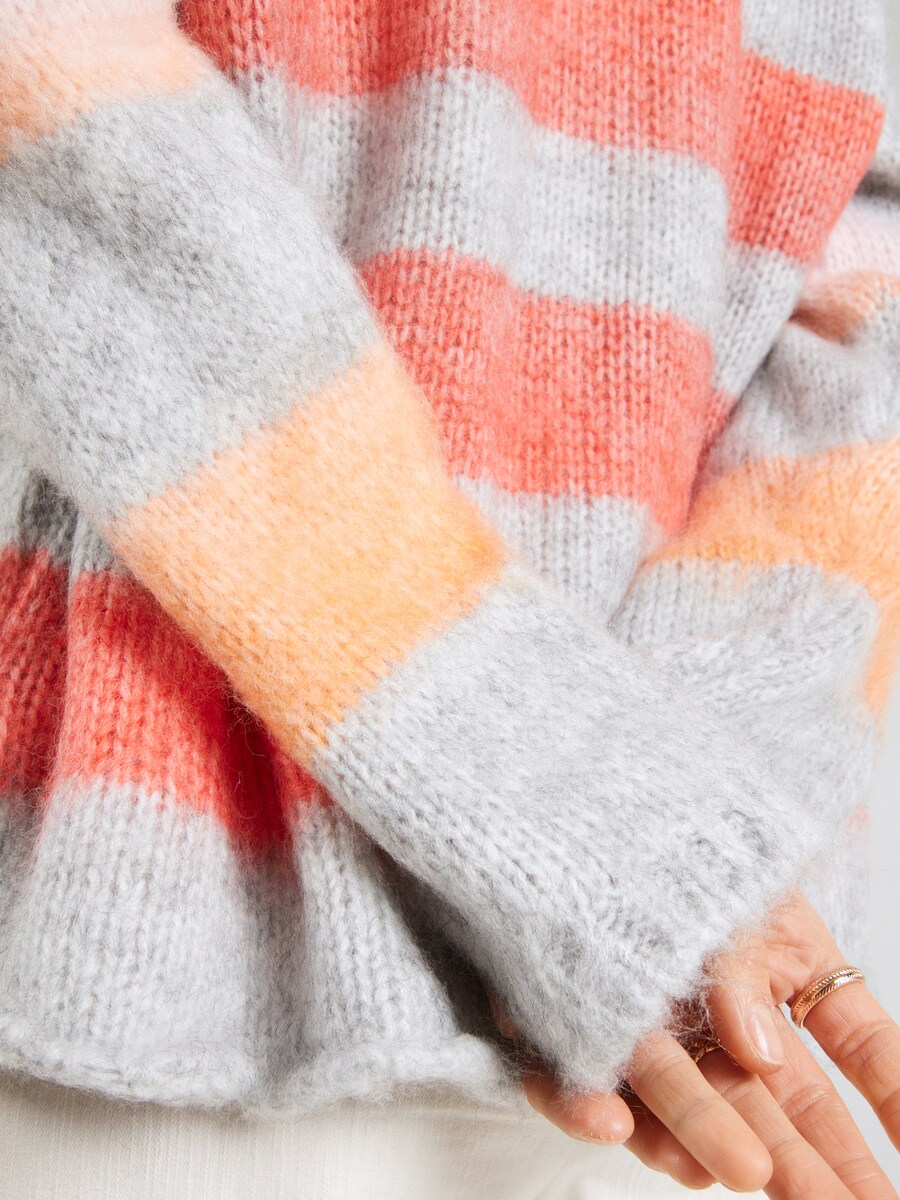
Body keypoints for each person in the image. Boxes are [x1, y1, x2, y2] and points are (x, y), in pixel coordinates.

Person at [0, 1, 898, 1196]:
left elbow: (860, 240)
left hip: (678, 991)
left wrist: (707, 791)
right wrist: (582, 805)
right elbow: (50, 125)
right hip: (183, 953)